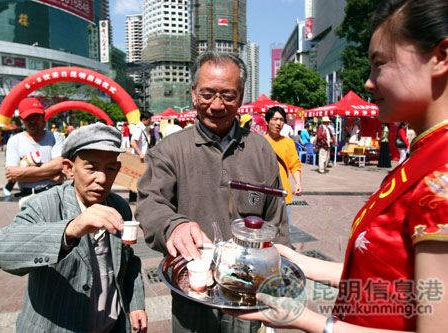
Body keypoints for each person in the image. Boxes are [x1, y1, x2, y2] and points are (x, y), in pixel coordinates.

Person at [228, 0, 448, 331]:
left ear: (441, 58)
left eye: (380, 64)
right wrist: (299, 261)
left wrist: (308, 320)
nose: (369, 82)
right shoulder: (426, 155)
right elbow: (391, 283)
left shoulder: (440, 173)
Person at [135, 51, 290, 333]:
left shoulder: (261, 151)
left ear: (241, 96)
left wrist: (281, 274)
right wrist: (174, 226)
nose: (217, 105)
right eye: (207, 94)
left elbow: (276, 221)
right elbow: (149, 204)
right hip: (193, 292)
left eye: (228, 96)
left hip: (247, 295)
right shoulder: (170, 150)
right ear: (194, 94)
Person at [0, 123, 147, 332]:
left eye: (109, 168)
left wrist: (135, 304)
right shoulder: (44, 205)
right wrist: (70, 229)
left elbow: (128, 260)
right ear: (69, 169)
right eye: (91, 168)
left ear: (118, 170)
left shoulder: (118, 206)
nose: (101, 178)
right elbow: (1, 249)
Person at [5, 97, 65, 196]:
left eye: (35, 116)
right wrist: (50, 175)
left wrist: (23, 173)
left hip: (54, 193)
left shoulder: (55, 137)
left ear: (43, 116)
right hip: (27, 196)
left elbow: (59, 165)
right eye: (28, 117)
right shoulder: (14, 141)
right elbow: (13, 174)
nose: (32, 121)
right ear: (21, 120)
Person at [264, 106, 303, 232]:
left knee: (284, 233)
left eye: (281, 120)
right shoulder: (259, 142)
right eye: (275, 119)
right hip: (264, 196)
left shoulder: (288, 142)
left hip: (283, 195)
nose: (278, 123)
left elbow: (295, 164)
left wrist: (298, 183)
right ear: (267, 121)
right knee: (264, 234)